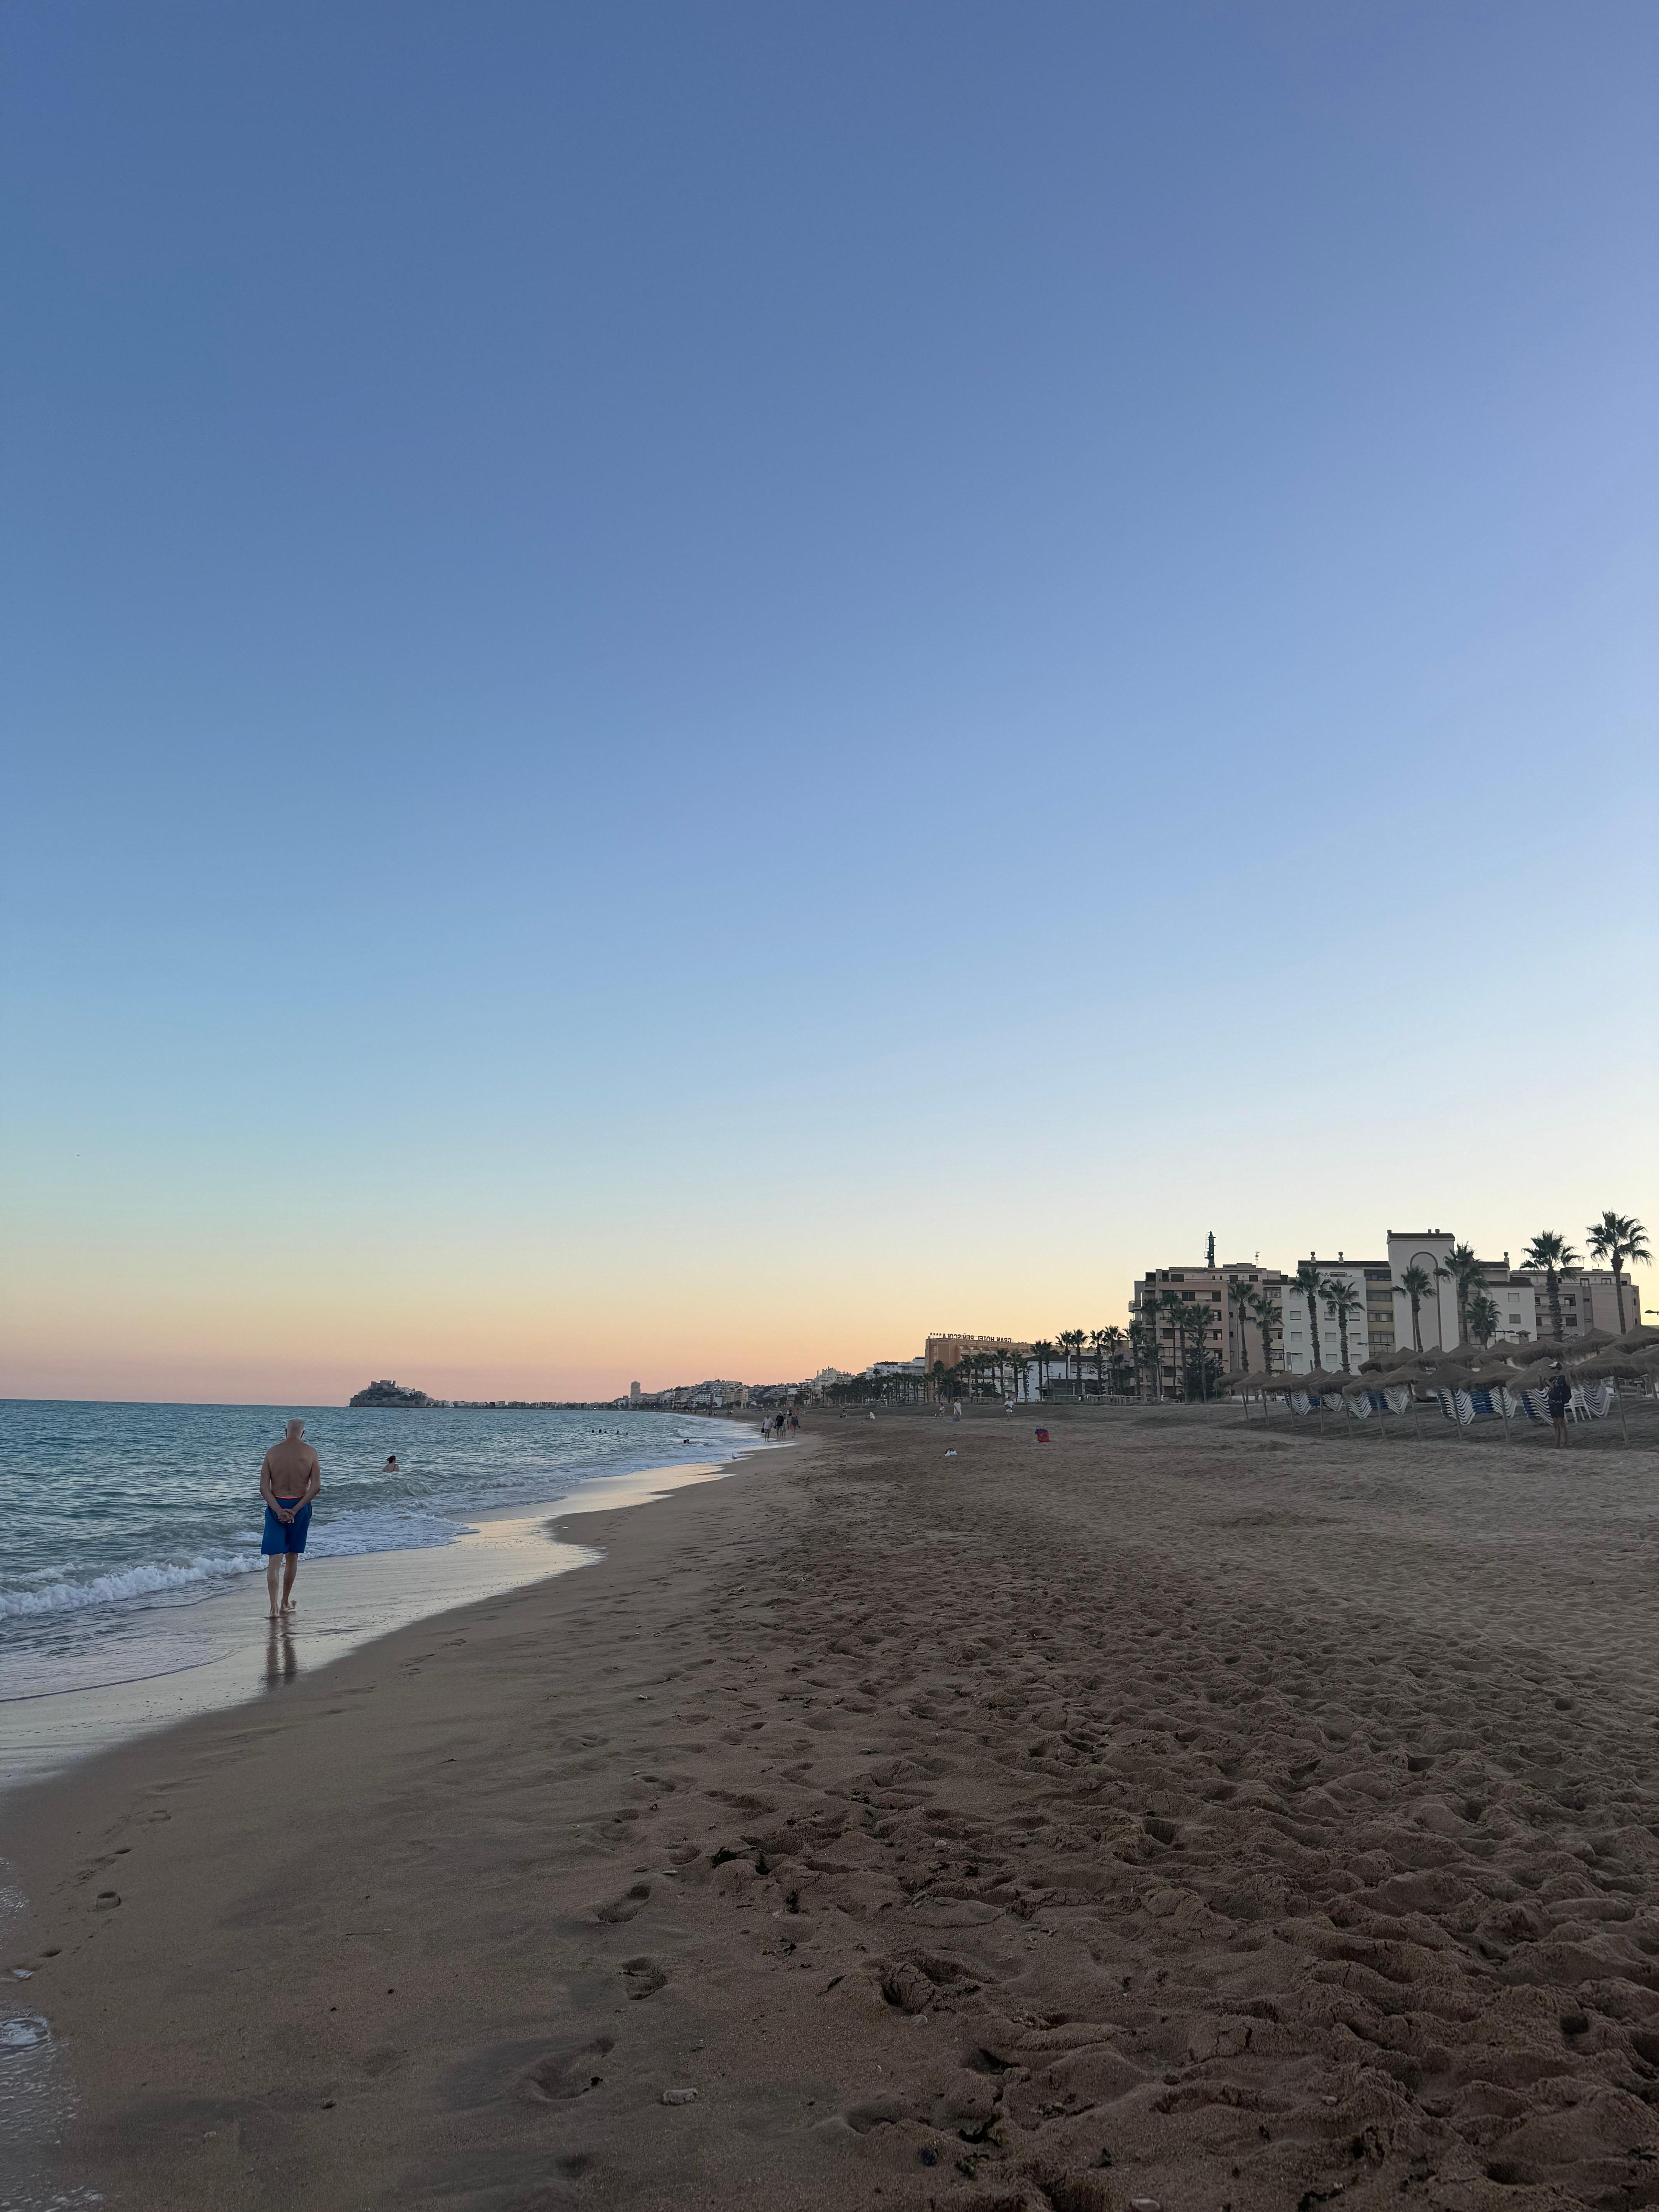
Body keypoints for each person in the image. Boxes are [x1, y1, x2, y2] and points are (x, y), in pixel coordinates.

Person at [260, 1419, 321, 1617]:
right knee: (292, 1557)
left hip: (276, 1506)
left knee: (274, 1559)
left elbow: (264, 1489)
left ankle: (273, 1608)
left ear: (286, 1431)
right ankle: (285, 1602)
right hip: (300, 1507)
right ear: (303, 1433)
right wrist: (294, 1510)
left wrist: (279, 1510)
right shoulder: (311, 1452)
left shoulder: (272, 1452)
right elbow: (316, 1487)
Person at [1546, 1365, 1573, 1448]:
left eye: (1554, 1368)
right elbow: (1541, 1388)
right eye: (1552, 1369)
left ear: (1558, 1369)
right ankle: (1557, 1443)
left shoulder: (1562, 1378)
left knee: (1561, 1423)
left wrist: (1545, 1380)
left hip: (1559, 1401)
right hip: (1552, 1402)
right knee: (1556, 1424)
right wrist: (1541, 1379)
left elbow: (1554, 1387)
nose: (1553, 1370)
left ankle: (1564, 1443)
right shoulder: (1552, 1379)